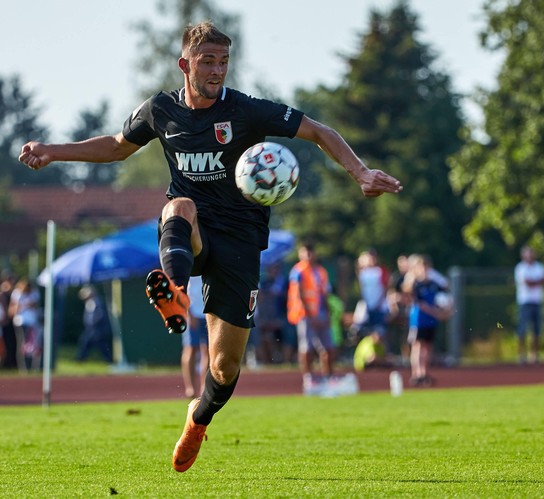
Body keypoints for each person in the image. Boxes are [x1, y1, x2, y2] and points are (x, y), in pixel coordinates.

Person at [18, 21, 402, 472]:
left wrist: (360, 173)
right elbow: (118, 147)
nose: (217, 70)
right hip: (194, 228)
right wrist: (53, 150)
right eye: (207, 61)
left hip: (241, 240)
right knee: (177, 206)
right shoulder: (160, 109)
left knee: (224, 367)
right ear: (185, 64)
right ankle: (175, 292)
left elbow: (319, 131)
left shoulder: (247, 111)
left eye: (223, 61)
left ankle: (198, 419)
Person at [287, 243, 335, 393]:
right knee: (306, 347)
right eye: (304, 253)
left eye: (310, 252)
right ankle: (308, 379)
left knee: (328, 347)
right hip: (304, 314)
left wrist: (327, 312)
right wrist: (308, 313)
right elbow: (299, 292)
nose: (308, 256)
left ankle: (328, 377)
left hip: (319, 313)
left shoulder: (321, 271)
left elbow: (325, 293)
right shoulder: (298, 271)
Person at [402, 254, 452, 386]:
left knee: (427, 348)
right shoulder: (415, 284)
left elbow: (445, 295)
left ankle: (424, 372)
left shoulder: (433, 284)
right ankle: (416, 374)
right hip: (418, 320)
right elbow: (408, 295)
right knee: (417, 345)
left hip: (431, 319)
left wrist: (443, 311)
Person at [514, 246, 544, 364]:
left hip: (537, 301)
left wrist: (535, 281)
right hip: (525, 302)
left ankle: (534, 355)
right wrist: (537, 281)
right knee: (522, 329)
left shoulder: (539, 266)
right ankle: (521, 355)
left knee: (536, 330)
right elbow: (528, 282)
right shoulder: (520, 268)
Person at [352, 249, 390, 336]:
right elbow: (362, 289)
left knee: (380, 333)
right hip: (368, 307)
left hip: (379, 307)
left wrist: (377, 304)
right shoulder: (363, 273)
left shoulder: (381, 271)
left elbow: (385, 288)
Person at [182, 276, 209, 399]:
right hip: (193, 311)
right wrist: (188, 312)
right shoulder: (189, 262)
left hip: (209, 311)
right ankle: (190, 388)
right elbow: (182, 288)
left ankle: (205, 387)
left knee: (208, 351)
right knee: (191, 349)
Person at [9, 278, 41, 372]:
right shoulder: (17, 294)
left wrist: (29, 304)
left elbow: (35, 305)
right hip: (21, 322)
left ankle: (34, 368)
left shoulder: (34, 293)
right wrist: (21, 306)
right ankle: (23, 368)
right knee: (23, 344)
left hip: (32, 323)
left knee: (34, 345)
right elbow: (12, 310)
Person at [76, 285, 113, 363]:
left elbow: (100, 315)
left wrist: (94, 324)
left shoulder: (97, 302)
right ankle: (80, 359)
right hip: (92, 329)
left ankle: (80, 359)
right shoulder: (90, 302)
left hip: (97, 329)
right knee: (90, 344)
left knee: (98, 345)